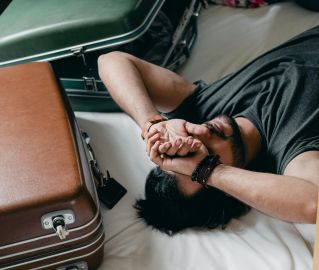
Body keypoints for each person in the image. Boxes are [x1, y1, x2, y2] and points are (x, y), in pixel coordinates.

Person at [98, 26, 319, 235]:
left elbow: (111, 61)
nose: (199, 136)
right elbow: (314, 203)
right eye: (201, 156)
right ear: (227, 189)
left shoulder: (204, 107)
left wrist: (152, 125)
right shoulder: (291, 150)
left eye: (184, 151)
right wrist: (209, 171)